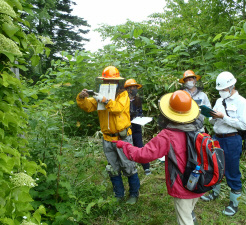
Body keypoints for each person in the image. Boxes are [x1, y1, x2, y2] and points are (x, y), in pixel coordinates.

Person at [115, 90, 204, 225]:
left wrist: (124, 145)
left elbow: (143, 155)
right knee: (189, 210)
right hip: (199, 180)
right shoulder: (198, 129)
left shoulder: (168, 135)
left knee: (184, 220)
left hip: (183, 185)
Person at [76, 66, 140, 204]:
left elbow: (118, 109)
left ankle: (134, 194)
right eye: (107, 81)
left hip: (123, 137)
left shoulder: (123, 95)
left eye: (112, 81)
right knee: (113, 168)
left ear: (117, 82)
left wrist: (105, 100)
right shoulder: (101, 94)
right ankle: (119, 195)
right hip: (107, 138)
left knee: (128, 166)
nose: (109, 83)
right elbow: (88, 106)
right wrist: (82, 98)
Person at [201, 71, 246, 216]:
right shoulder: (219, 101)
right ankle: (214, 193)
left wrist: (224, 117)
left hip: (232, 139)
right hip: (217, 138)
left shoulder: (241, 102)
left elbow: (243, 125)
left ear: (232, 86)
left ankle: (234, 203)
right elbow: (212, 120)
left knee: (232, 171)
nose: (221, 92)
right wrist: (213, 116)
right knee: (215, 166)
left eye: (223, 89)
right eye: (220, 90)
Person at [124, 79, 151, 175]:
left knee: (139, 147)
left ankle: (146, 167)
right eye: (132, 87)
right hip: (126, 128)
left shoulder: (137, 100)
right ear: (127, 89)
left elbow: (140, 112)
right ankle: (129, 168)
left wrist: (139, 116)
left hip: (136, 128)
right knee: (127, 148)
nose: (134, 89)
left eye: (135, 87)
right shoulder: (123, 100)